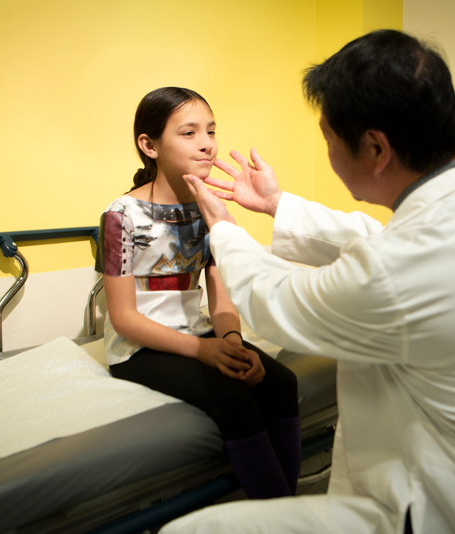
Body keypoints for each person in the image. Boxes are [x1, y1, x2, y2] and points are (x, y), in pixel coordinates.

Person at [161, 30, 455, 533]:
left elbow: (277, 300)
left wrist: (222, 227)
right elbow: (378, 239)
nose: (328, 152)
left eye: (329, 139)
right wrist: (275, 204)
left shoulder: (402, 270)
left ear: (376, 147)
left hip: (437, 512)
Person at [94, 87, 301, 500]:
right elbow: (124, 320)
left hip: (199, 334)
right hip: (138, 348)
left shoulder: (209, 210)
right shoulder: (120, 218)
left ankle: (288, 509)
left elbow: (221, 298)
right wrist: (203, 352)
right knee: (234, 398)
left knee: (280, 382)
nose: (207, 143)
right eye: (189, 133)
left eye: (210, 131)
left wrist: (230, 342)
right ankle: (276, 516)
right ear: (149, 145)